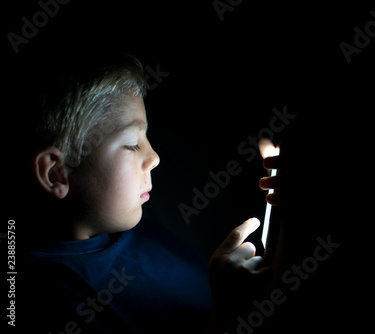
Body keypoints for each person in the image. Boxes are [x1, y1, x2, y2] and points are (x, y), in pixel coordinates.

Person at [17, 53, 284, 333]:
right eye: (133, 143)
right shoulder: (49, 301)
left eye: (146, 138)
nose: (154, 157)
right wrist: (229, 319)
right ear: (56, 174)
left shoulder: (123, 220)